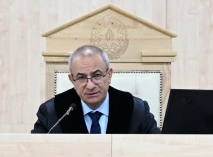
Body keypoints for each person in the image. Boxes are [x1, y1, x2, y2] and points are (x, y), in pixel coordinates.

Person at [31, 45, 160, 134]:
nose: (90, 86)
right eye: (81, 77)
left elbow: (160, 149)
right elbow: (33, 154)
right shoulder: (52, 113)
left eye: (97, 75)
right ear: (71, 80)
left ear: (109, 75)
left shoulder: (136, 110)